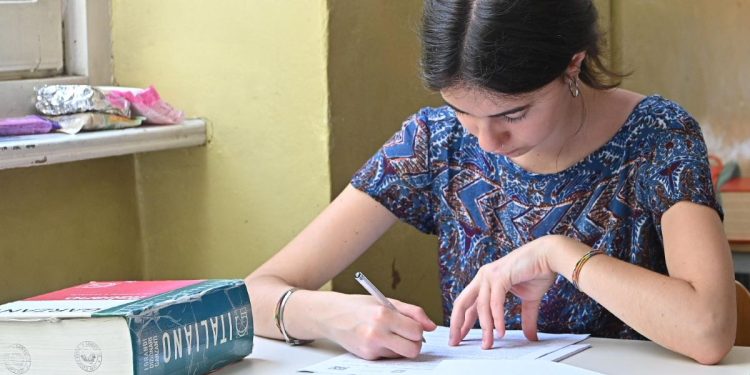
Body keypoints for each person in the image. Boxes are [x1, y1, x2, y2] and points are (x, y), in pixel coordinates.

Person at [245, 0, 737, 365]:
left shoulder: (656, 137)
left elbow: (710, 329)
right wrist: (330, 315)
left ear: (573, 62)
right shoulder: (433, 142)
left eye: (513, 114)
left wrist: (558, 253)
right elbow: (252, 294)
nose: (487, 141)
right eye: (464, 113)